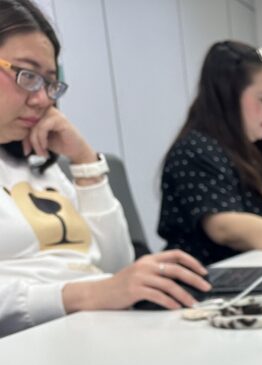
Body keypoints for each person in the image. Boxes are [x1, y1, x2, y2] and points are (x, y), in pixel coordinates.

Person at [0, 0, 210, 337]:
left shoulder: (37, 162)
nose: (42, 99)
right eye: (27, 75)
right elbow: (103, 286)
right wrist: (83, 295)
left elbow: (116, 265)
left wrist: (85, 162)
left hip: (92, 329)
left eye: (49, 82)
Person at [159, 41, 262, 265]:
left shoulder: (252, 150)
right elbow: (224, 226)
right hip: (203, 275)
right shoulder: (194, 150)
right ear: (228, 96)